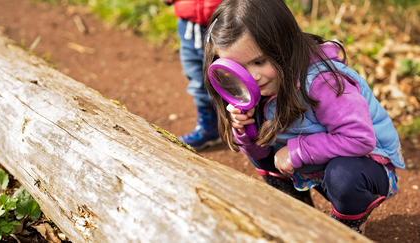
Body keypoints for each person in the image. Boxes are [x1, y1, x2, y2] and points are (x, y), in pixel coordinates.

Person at [203, 0, 404, 234]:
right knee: (263, 147)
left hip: (366, 164)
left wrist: (296, 151)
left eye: (259, 62)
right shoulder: (256, 88)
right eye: (238, 69)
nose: (252, 77)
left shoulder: (323, 81)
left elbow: (359, 139)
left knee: (343, 176)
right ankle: (298, 215)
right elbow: (261, 153)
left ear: (284, 43)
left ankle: (349, 227)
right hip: (313, 164)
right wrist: (244, 131)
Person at [161, 0, 223, 150]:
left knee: (232, 77)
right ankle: (209, 128)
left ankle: (251, 132)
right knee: (197, 77)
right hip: (188, 24)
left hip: (226, 21)